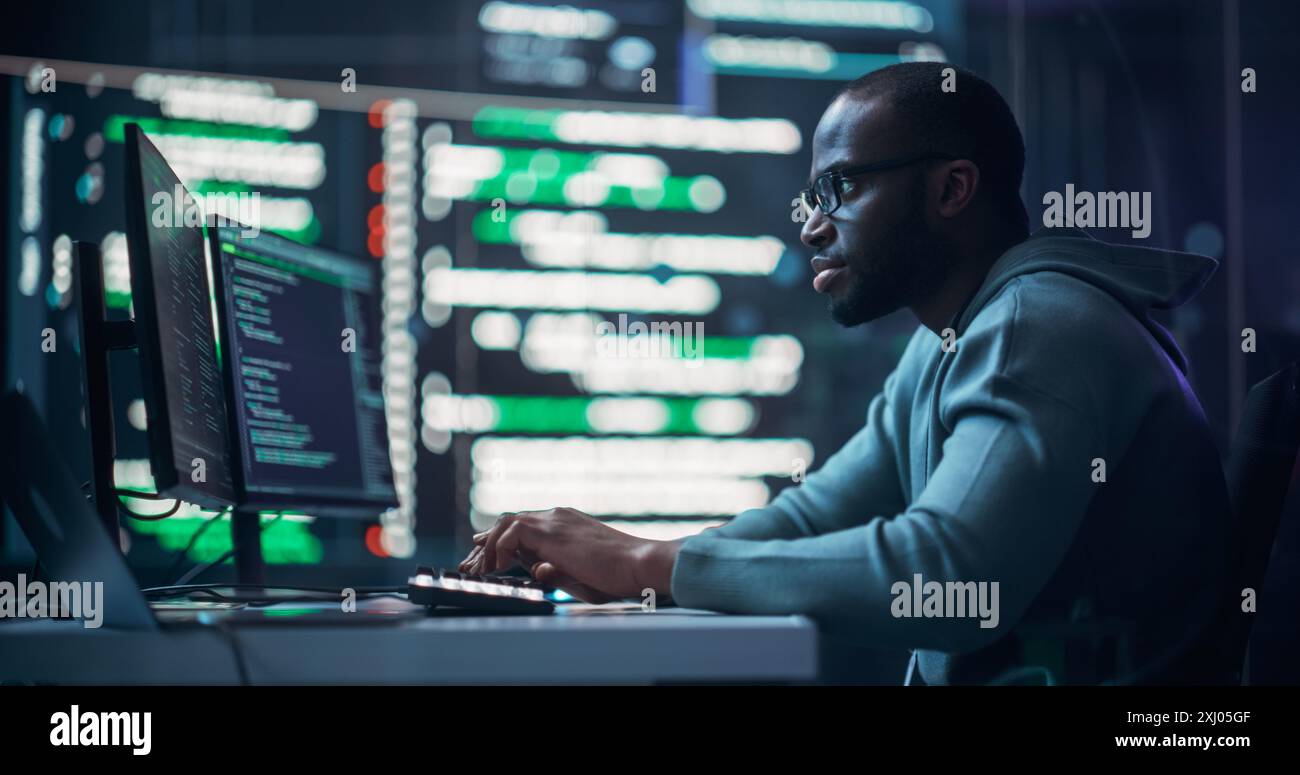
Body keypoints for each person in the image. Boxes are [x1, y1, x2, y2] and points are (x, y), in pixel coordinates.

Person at [460, 62, 1231, 685]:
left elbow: (948, 575)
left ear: (952, 189)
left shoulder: (1039, 324)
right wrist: (636, 563)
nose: (812, 223)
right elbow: (810, 517)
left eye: (843, 188)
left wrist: (646, 562)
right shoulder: (952, 340)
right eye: (810, 196)